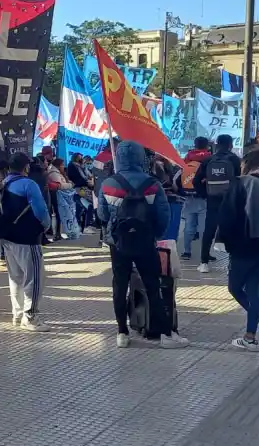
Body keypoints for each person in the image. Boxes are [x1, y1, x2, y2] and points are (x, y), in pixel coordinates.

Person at [98, 141, 188, 349]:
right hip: (146, 242)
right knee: (153, 286)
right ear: (141, 158)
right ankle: (165, 334)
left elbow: (102, 214)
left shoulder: (108, 183)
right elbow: (163, 215)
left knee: (119, 285)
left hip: (118, 243)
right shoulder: (152, 184)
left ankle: (122, 332)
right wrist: (154, 235)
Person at [217, 149, 259, 351]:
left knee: (235, 287)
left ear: (247, 163)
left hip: (244, 244)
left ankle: (254, 335)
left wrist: (224, 241)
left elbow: (227, 215)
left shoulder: (242, 183)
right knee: (254, 289)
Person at [0, 152, 52, 331]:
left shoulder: (3, 183)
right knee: (34, 277)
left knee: (15, 277)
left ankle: (18, 314)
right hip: (27, 238)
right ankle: (30, 317)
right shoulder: (28, 184)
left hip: (7, 237)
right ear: (26, 167)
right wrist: (46, 227)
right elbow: (41, 211)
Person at [193, 134, 241, 273]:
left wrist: (205, 194)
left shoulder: (208, 160)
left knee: (209, 230)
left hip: (212, 200)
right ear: (230, 145)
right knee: (232, 230)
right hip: (230, 200)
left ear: (217, 144)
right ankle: (231, 263)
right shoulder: (234, 159)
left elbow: (196, 181)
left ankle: (204, 263)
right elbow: (238, 180)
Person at [179, 137, 212, 259]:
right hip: (203, 197)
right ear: (207, 145)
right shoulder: (209, 157)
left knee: (189, 225)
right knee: (204, 227)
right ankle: (205, 254)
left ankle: (186, 252)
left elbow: (178, 176)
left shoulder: (188, 157)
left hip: (188, 196)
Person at [50, 158, 80, 240]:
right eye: (62, 165)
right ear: (58, 165)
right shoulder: (54, 174)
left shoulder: (60, 173)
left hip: (65, 198)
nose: (63, 166)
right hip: (58, 198)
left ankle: (64, 232)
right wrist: (70, 185)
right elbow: (61, 186)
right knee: (60, 215)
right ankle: (57, 233)